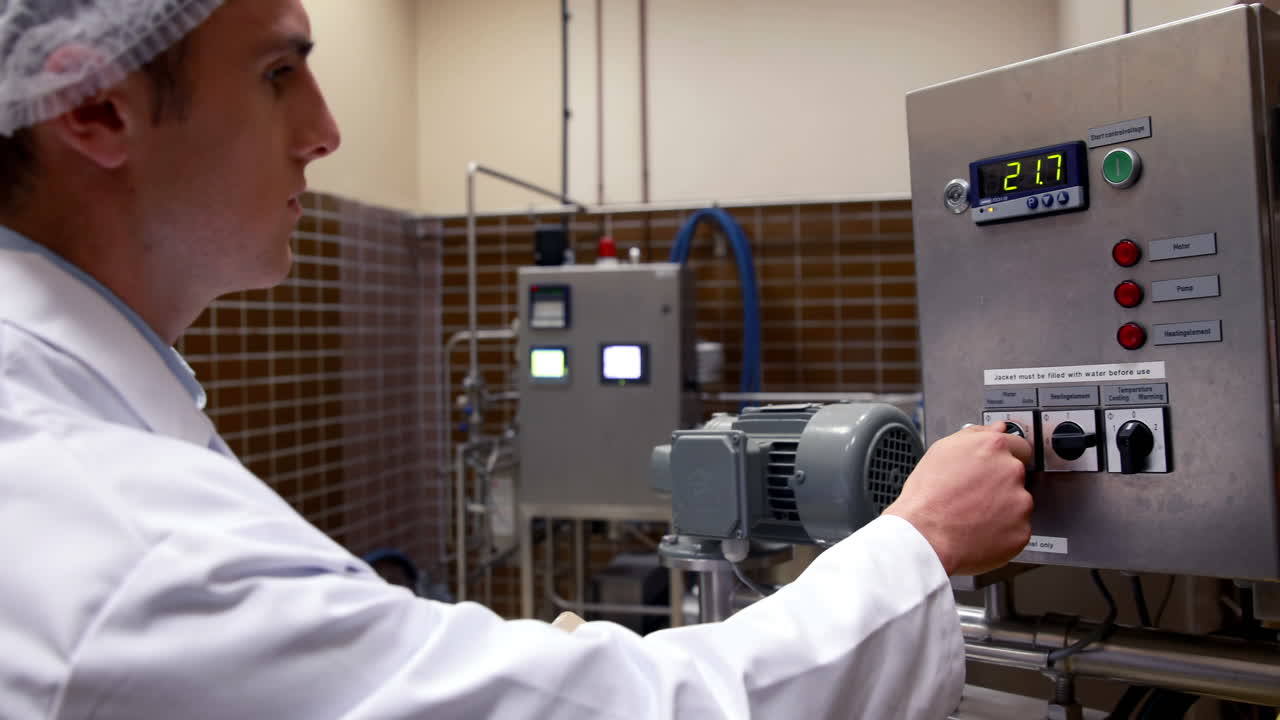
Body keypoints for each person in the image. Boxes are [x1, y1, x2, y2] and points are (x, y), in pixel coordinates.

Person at [0, 1, 1034, 717]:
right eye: (278, 73)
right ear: (92, 109)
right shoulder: (128, 545)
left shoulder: (85, 417)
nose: (324, 128)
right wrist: (918, 539)